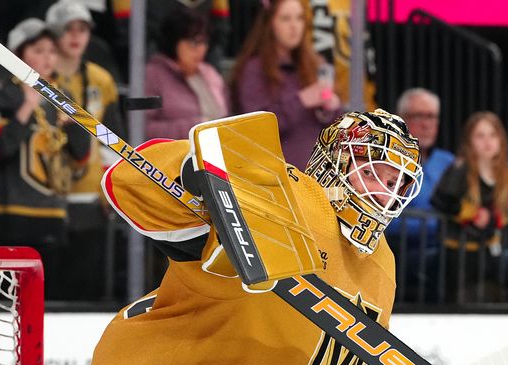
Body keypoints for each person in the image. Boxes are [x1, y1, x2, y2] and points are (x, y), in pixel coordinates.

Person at [84, 110, 438, 365]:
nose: (388, 192)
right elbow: (127, 182)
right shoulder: (280, 195)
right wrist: (191, 170)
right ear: (337, 161)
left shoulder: (381, 266)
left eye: (399, 181)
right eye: (377, 170)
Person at [0, 18, 90, 299]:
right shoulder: (2, 94)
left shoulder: (62, 96)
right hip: (11, 217)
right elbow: (1, 147)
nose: (47, 57)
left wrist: (73, 124)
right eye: (38, 50)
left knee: (49, 301)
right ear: (18, 53)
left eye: (52, 51)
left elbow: (82, 157)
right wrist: (27, 106)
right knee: (6, 303)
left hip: (53, 216)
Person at [46, 0, 124, 301]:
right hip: (47, 193)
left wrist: (110, 189)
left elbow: (112, 139)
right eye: (68, 29)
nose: (76, 36)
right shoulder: (39, 78)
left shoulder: (101, 80)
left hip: (88, 194)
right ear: (53, 34)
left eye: (83, 29)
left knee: (84, 284)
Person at [431, 111, 508, 303]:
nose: (487, 142)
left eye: (492, 135)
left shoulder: (506, 171)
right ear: (469, 141)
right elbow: (441, 200)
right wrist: (471, 215)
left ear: (501, 140)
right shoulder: (461, 168)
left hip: (489, 250)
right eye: (480, 136)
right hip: (457, 250)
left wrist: (493, 219)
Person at [231, 0, 341, 169]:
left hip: (313, 176)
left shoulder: (312, 65)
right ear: (270, 24)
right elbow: (255, 126)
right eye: (285, 19)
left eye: (299, 18)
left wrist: (331, 108)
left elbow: (332, 131)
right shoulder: (254, 70)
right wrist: (301, 100)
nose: (294, 26)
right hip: (273, 176)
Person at [385, 88, 455, 300]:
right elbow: (386, 219)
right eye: (419, 116)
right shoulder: (383, 161)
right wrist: (440, 225)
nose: (427, 124)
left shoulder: (450, 162)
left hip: (445, 249)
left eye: (432, 117)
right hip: (398, 252)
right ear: (401, 120)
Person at [143, 5, 228, 141]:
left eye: (204, 42)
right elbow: (143, 128)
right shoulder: (152, 75)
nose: (201, 49)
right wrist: (195, 127)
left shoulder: (209, 72)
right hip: (174, 156)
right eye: (194, 42)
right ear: (174, 41)